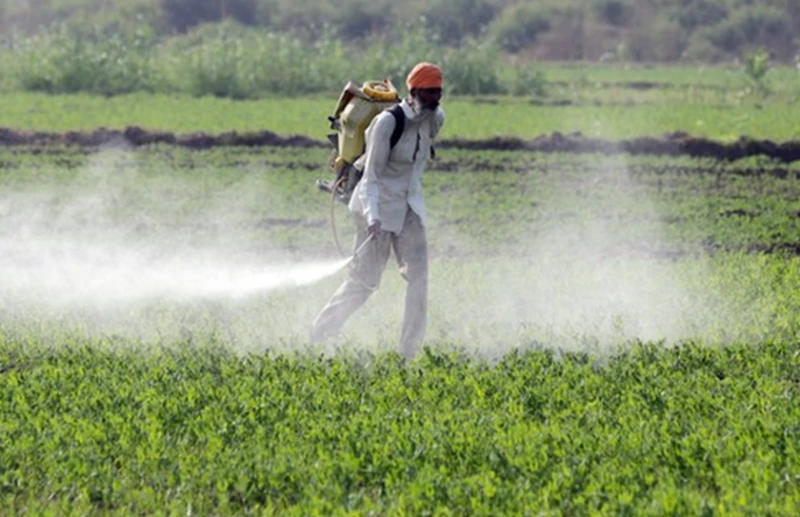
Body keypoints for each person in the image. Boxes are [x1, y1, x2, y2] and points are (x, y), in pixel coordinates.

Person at [311, 62, 446, 359]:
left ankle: (408, 354)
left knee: (419, 280)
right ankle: (320, 336)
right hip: (377, 206)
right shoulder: (387, 124)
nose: (434, 98)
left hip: (409, 207)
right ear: (413, 91)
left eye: (438, 92)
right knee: (364, 283)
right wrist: (373, 219)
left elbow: (414, 172)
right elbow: (371, 176)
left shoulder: (435, 118)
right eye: (428, 92)